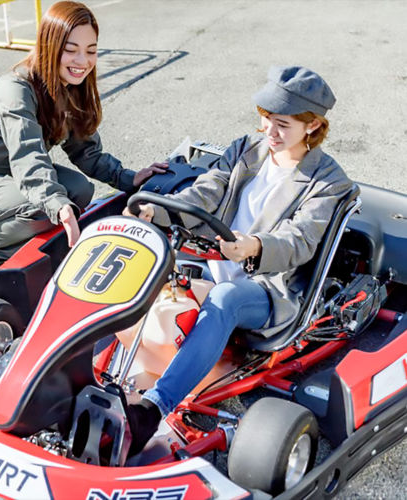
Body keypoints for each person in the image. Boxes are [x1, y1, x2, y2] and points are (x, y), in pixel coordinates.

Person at [124, 66, 353, 455]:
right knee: (144, 262)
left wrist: (255, 247)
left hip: (269, 287)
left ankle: (153, 409)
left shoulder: (328, 181)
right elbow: (204, 193)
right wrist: (155, 211)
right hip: (211, 259)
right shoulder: (246, 149)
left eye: (282, 124)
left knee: (225, 298)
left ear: (313, 125)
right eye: (266, 118)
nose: (269, 131)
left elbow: (299, 241)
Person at [0, 1, 166, 285]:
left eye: (91, 51)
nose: (82, 61)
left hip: (11, 173)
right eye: (71, 50)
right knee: (46, 205)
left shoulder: (69, 88)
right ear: (49, 46)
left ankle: (23, 244)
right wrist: (55, 204)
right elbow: (28, 155)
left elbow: (86, 151)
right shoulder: (15, 89)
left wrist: (128, 178)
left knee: (79, 190)